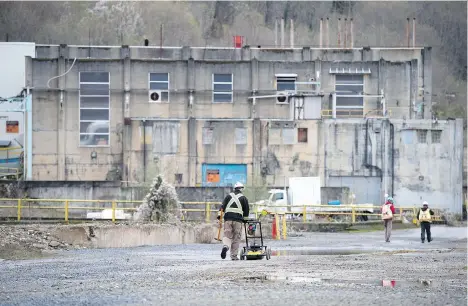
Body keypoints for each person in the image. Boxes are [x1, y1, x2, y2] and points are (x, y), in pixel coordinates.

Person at [217, 182, 249, 260]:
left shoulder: (228, 196)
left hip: (228, 219)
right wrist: (245, 220)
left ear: (234, 188)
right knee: (236, 238)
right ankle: (234, 256)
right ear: (241, 189)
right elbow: (246, 210)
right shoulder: (244, 198)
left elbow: (222, 207)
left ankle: (225, 246)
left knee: (227, 235)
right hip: (238, 221)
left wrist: (219, 216)